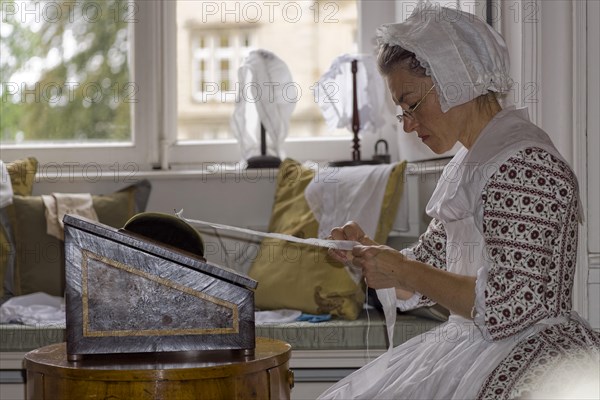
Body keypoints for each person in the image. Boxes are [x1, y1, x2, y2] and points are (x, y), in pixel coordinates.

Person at [318, 3, 600, 399]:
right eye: (402, 112)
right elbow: (430, 272)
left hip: (526, 353)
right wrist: (372, 256)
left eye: (412, 105)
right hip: (469, 346)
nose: (409, 124)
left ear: (457, 79)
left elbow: (513, 306)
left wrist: (402, 268)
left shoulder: (524, 162)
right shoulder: (474, 160)